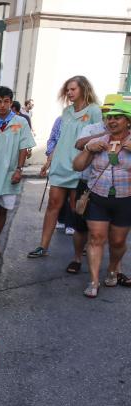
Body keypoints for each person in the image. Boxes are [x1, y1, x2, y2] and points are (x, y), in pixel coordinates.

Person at [29, 75, 102, 259]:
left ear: (83, 89)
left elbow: (101, 135)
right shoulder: (67, 112)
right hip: (61, 164)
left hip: (80, 166)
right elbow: (62, 139)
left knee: (78, 209)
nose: (69, 93)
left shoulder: (94, 110)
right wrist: (49, 161)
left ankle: (82, 249)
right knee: (53, 205)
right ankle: (42, 246)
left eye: (73, 89)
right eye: (67, 90)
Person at [72, 100, 131, 296]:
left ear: (128, 121)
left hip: (125, 199)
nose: (112, 121)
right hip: (98, 197)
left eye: (117, 117)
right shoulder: (99, 142)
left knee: (117, 242)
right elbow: (77, 166)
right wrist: (89, 148)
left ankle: (113, 269)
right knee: (96, 238)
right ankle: (94, 281)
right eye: (109, 117)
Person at [0, 86, 35, 258]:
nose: (3, 105)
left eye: (6, 101)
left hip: (10, 174)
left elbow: (24, 147)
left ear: (11, 102)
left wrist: (19, 169)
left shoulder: (21, 122)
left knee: (3, 210)